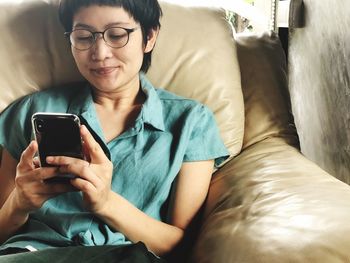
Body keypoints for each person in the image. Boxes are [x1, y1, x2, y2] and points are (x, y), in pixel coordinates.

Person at [0, 0, 229, 261]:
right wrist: (19, 202)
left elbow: (180, 246)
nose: (100, 53)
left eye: (117, 35)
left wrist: (106, 203)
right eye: (83, 37)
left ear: (149, 37)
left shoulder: (191, 121)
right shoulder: (32, 110)